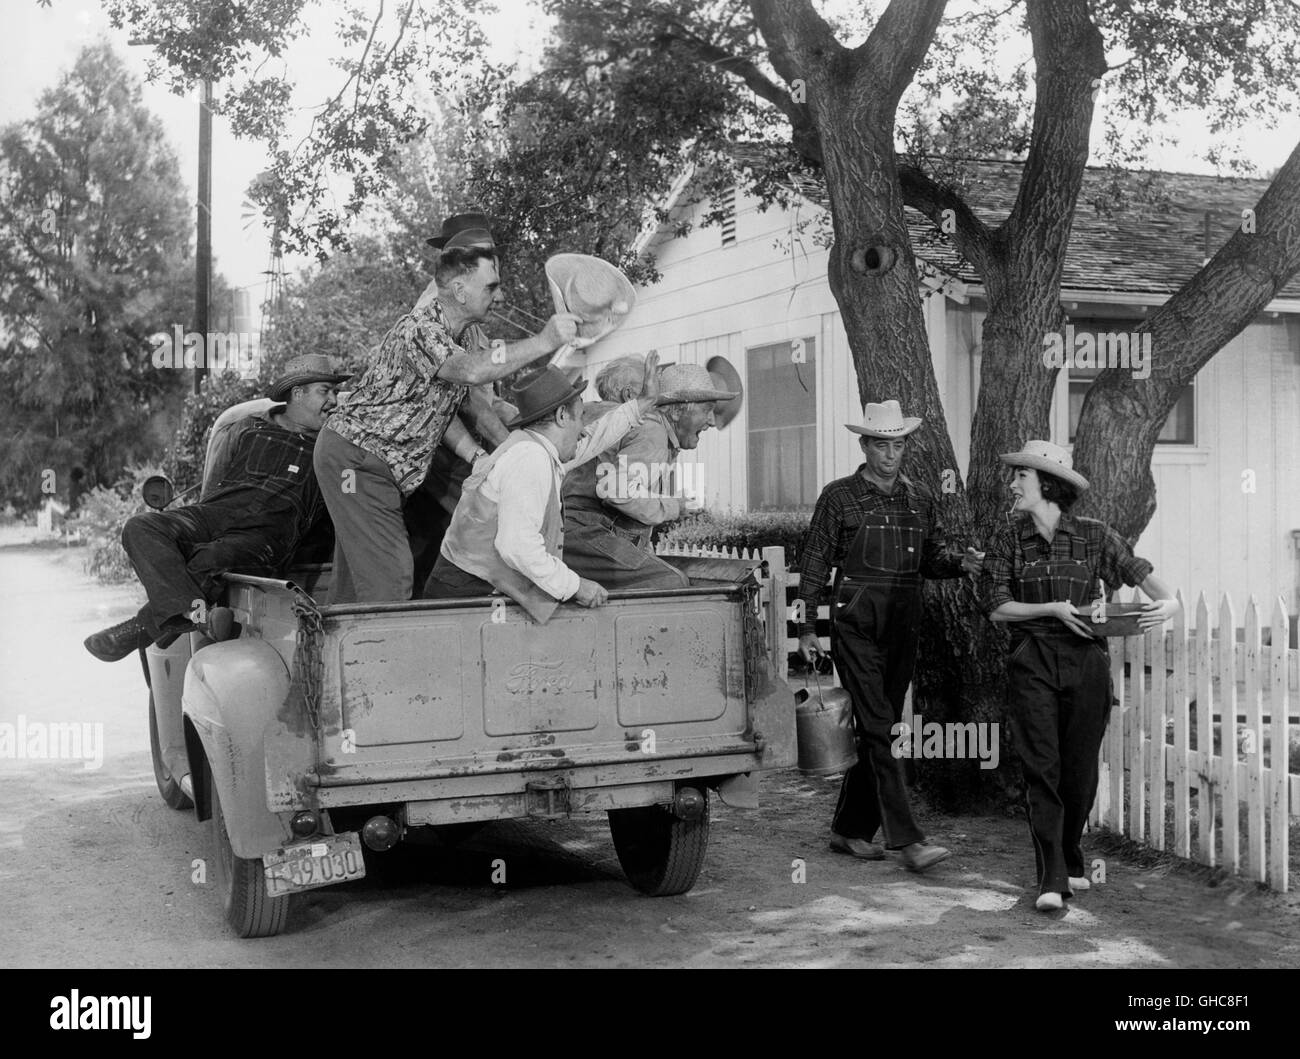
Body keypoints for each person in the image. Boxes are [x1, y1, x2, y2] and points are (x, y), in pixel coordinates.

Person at [314, 244, 582, 604]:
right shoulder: (420, 330)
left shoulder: (455, 339)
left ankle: (335, 653)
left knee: (357, 579)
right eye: (491, 286)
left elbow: (440, 410)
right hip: (357, 461)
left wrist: (477, 456)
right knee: (391, 576)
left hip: (362, 462)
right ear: (459, 291)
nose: (500, 296)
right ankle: (385, 659)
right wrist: (545, 341)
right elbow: (473, 372)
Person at [978, 439, 1179, 912]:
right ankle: (1050, 876)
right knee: (1041, 768)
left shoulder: (1094, 536)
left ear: (1048, 484)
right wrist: (1049, 607)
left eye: (1021, 477)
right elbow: (995, 608)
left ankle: (1069, 853)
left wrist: (1169, 603)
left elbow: (1147, 579)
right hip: (1032, 659)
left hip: (1087, 664)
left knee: (1080, 772)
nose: (1012, 484)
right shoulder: (1008, 539)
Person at [796, 400, 982, 873]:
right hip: (855, 622)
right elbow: (815, 565)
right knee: (880, 726)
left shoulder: (920, 497)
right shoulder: (838, 497)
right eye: (881, 445)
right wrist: (806, 630)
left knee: (883, 729)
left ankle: (850, 830)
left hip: (903, 622)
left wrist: (962, 562)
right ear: (864, 445)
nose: (890, 454)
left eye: (898, 445)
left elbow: (931, 559)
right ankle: (908, 841)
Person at [83, 354, 350, 662]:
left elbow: (344, 506)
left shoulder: (334, 444)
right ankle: (190, 616)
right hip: (216, 514)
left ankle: (141, 628)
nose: (333, 401)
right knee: (140, 526)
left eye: (334, 392)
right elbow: (213, 487)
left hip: (267, 535)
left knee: (210, 558)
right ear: (297, 393)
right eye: (324, 391)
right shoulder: (247, 427)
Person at [424, 356, 666, 621]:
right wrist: (574, 586)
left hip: (472, 584)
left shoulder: (533, 446)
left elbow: (592, 440)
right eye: (580, 417)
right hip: (467, 591)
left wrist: (641, 404)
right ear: (563, 416)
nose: (582, 428)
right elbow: (516, 546)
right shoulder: (531, 459)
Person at [405, 213, 515, 590]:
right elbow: (466, 398)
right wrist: (511, 446)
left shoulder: (468, 312)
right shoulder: (435, 311)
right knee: (494, 522)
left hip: (455, 447)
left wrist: (515, 418)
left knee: (433, 541)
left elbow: (485, 395)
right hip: (444, 449)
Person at [560, 360, 734, 590]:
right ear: (678, 409)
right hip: (584, 535)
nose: (712, 420)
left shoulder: (647, 428)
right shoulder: (653, 432)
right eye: (707, 410)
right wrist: (673, 507)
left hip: (574, 535)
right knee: (670, 582)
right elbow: (615, 490)